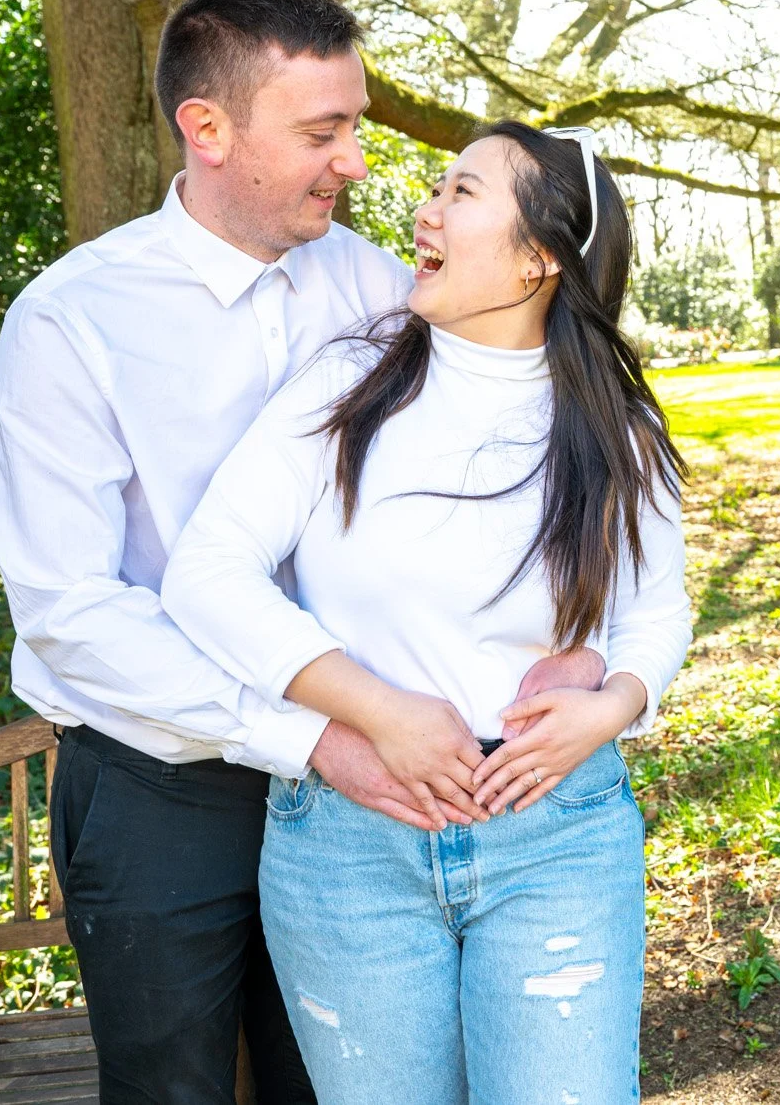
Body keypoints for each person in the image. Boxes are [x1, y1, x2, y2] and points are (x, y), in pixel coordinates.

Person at [0, 0, 604, 1103]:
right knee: (171, 1092)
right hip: (166, 785)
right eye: (322, 132)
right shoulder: (72, 321)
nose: (355, 162)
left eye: (355, 125)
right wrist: (311, 735)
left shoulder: (379, 289)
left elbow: (536, 420)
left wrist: (587, 642)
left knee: (337, 1085)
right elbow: (72, 611)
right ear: (208, 128)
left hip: (369, 796)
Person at [160, 120, 691, 1104]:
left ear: (538, 257)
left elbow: (656, 608)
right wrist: (378, 709)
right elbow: (206, 574)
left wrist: (612, 703)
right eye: (438, 188)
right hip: (350, 843)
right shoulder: (348, 388)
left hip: (555, 837)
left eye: (462, 193)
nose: (425, 209)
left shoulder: (616, 430)